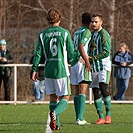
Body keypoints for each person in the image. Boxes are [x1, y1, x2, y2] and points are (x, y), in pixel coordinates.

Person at [31, 8, 74, 130]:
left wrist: (34, 69)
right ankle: (55, 113)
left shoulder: (42, 34)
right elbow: (71, 54)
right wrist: (76, 61)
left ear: (48, 20)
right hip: (61, 69)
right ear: (59, 19)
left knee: (53, 97)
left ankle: (57, 124)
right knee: (65, 97)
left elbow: (38, 53)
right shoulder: (65, 33)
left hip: (48, 70)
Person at [88, 13, 112, 124]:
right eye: (92, 21)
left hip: (103, 65)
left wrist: (93, 58)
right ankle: (101, 116)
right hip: (93, 67)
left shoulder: (104, 34)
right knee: (95, 91)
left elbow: (106, 51)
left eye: (96, 21)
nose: (93, 23)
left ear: (101, 22)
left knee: (103, 88)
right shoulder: (91, 34)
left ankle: (108, 115)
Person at [70, 12, 92, 125]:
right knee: (83, 89)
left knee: (76, 91)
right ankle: (80, 118)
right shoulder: (87, 31)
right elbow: (81, 46)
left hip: (73, 63)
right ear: (90, 22)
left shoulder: (76, 32)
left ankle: (77, 118)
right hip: (81, 61)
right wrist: (87, 61)